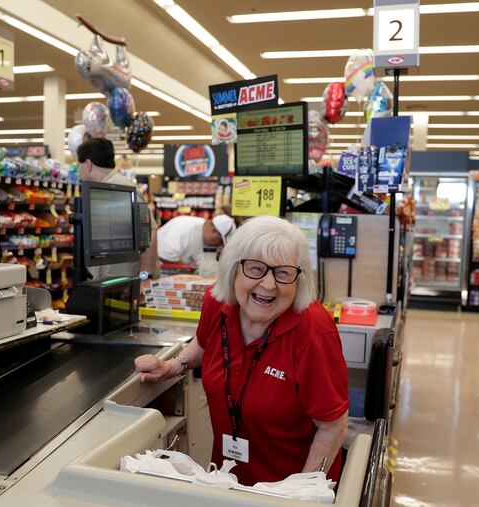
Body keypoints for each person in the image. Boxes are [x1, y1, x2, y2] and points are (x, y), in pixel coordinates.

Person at [134, 216, 349, 486]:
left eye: (283, 273)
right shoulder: (218, 302)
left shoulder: (314, 331)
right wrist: (173, 366)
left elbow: (333, 427)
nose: (269, 285)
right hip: (227, 479)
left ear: (299, 278)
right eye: (255, 269)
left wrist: (300, 494)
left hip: (287, 487)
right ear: (233, 269)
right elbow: (204, 341)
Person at [77, 138, 159, 280]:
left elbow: (149, 231)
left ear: (88, 164)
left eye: (79, 165)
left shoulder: (121, 188)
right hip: (111, 279)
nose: (79, 171)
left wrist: (145, 276)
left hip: (123, 281)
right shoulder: (103, 188)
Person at [157, 214, 235, 265]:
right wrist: (186, 268)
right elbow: (165, 255)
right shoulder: (184, 227)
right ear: (213, 231)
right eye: (220, 242)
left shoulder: (204, 236)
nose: (218, 246)